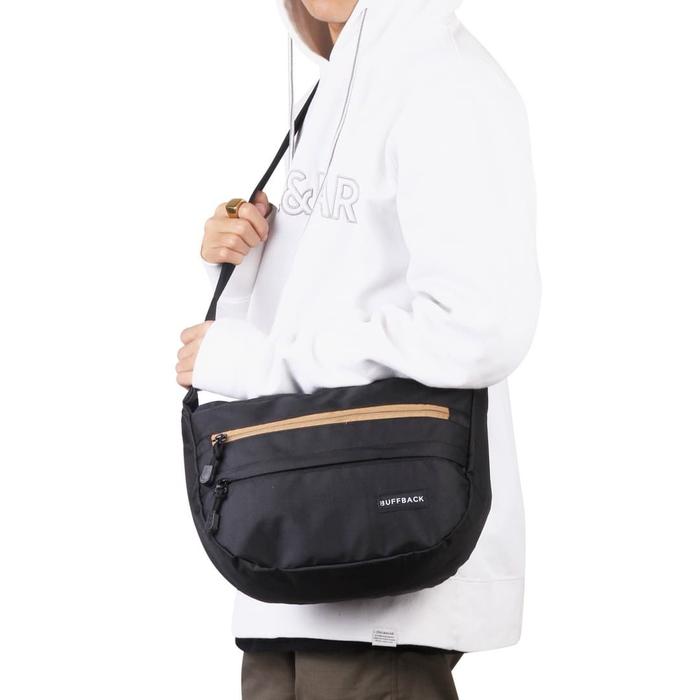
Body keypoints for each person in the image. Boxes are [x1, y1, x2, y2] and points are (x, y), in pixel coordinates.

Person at [175, 0, 540, 697]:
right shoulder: (339, 88)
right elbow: (341, 291)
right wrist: (245, 265)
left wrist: (260, 365)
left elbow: (479, 326)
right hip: (292, 542)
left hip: (384, 554)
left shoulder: (447, 85)